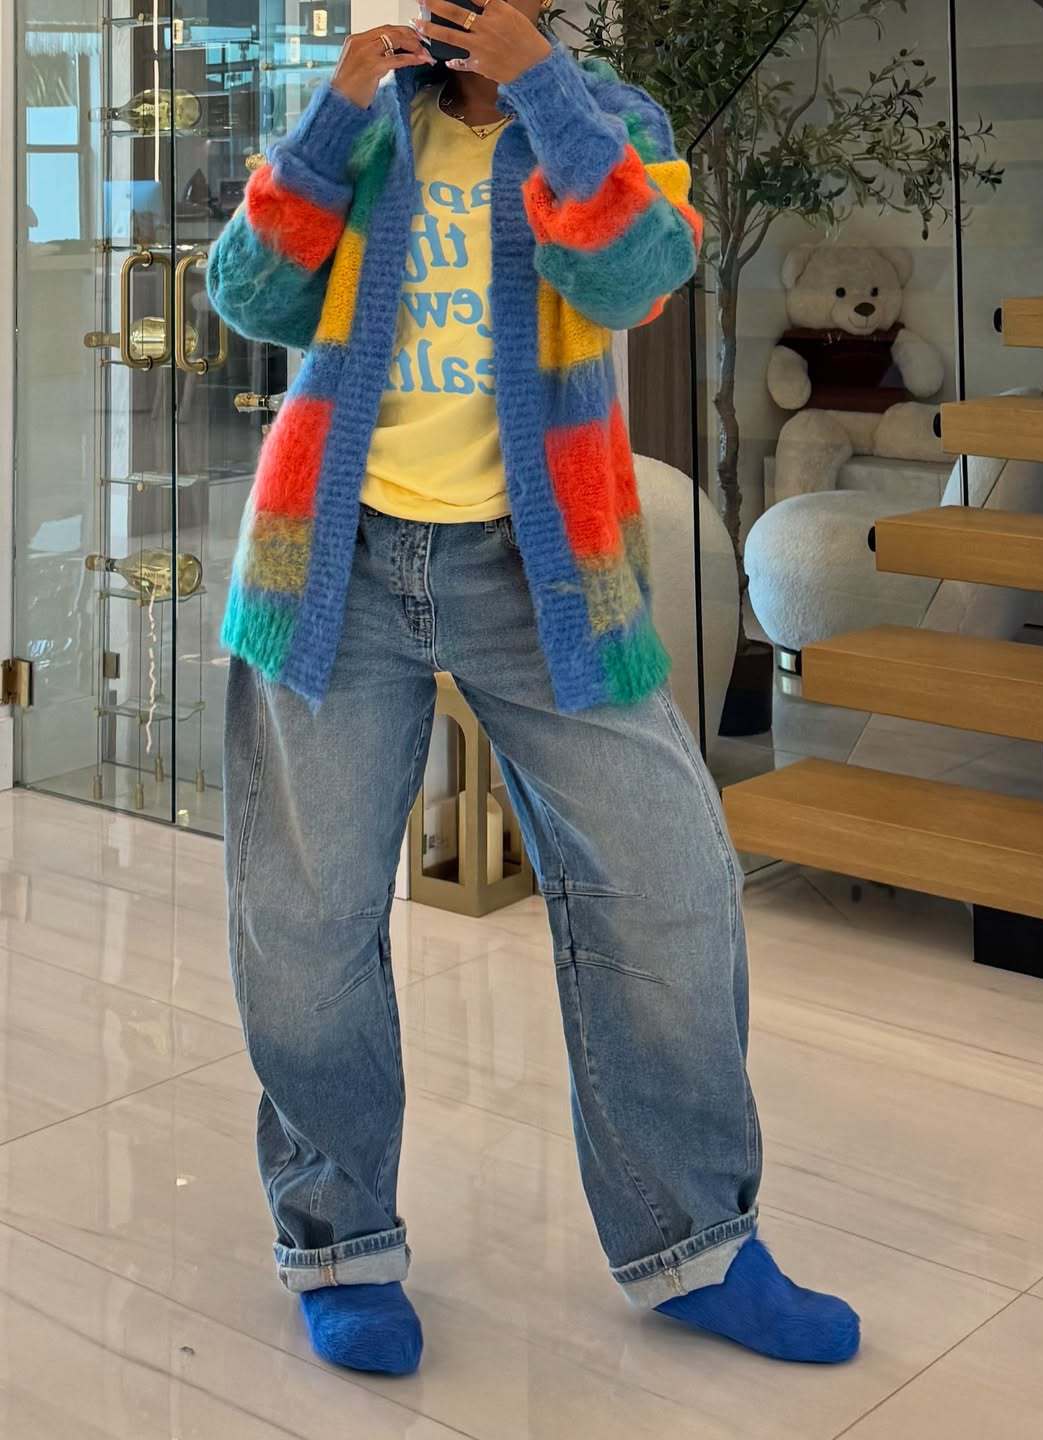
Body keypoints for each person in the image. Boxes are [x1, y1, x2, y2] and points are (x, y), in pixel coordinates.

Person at [208, 0, 860, 1377]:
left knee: (668, 884)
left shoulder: (611, 117)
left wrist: (546, 91)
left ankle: (698, 1246)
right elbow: (250, 298)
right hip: (332, 561)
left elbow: (635, 278)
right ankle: (338, 1243)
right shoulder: (354, 119)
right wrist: (330, 118)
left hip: (544, 567)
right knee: (306, 920)